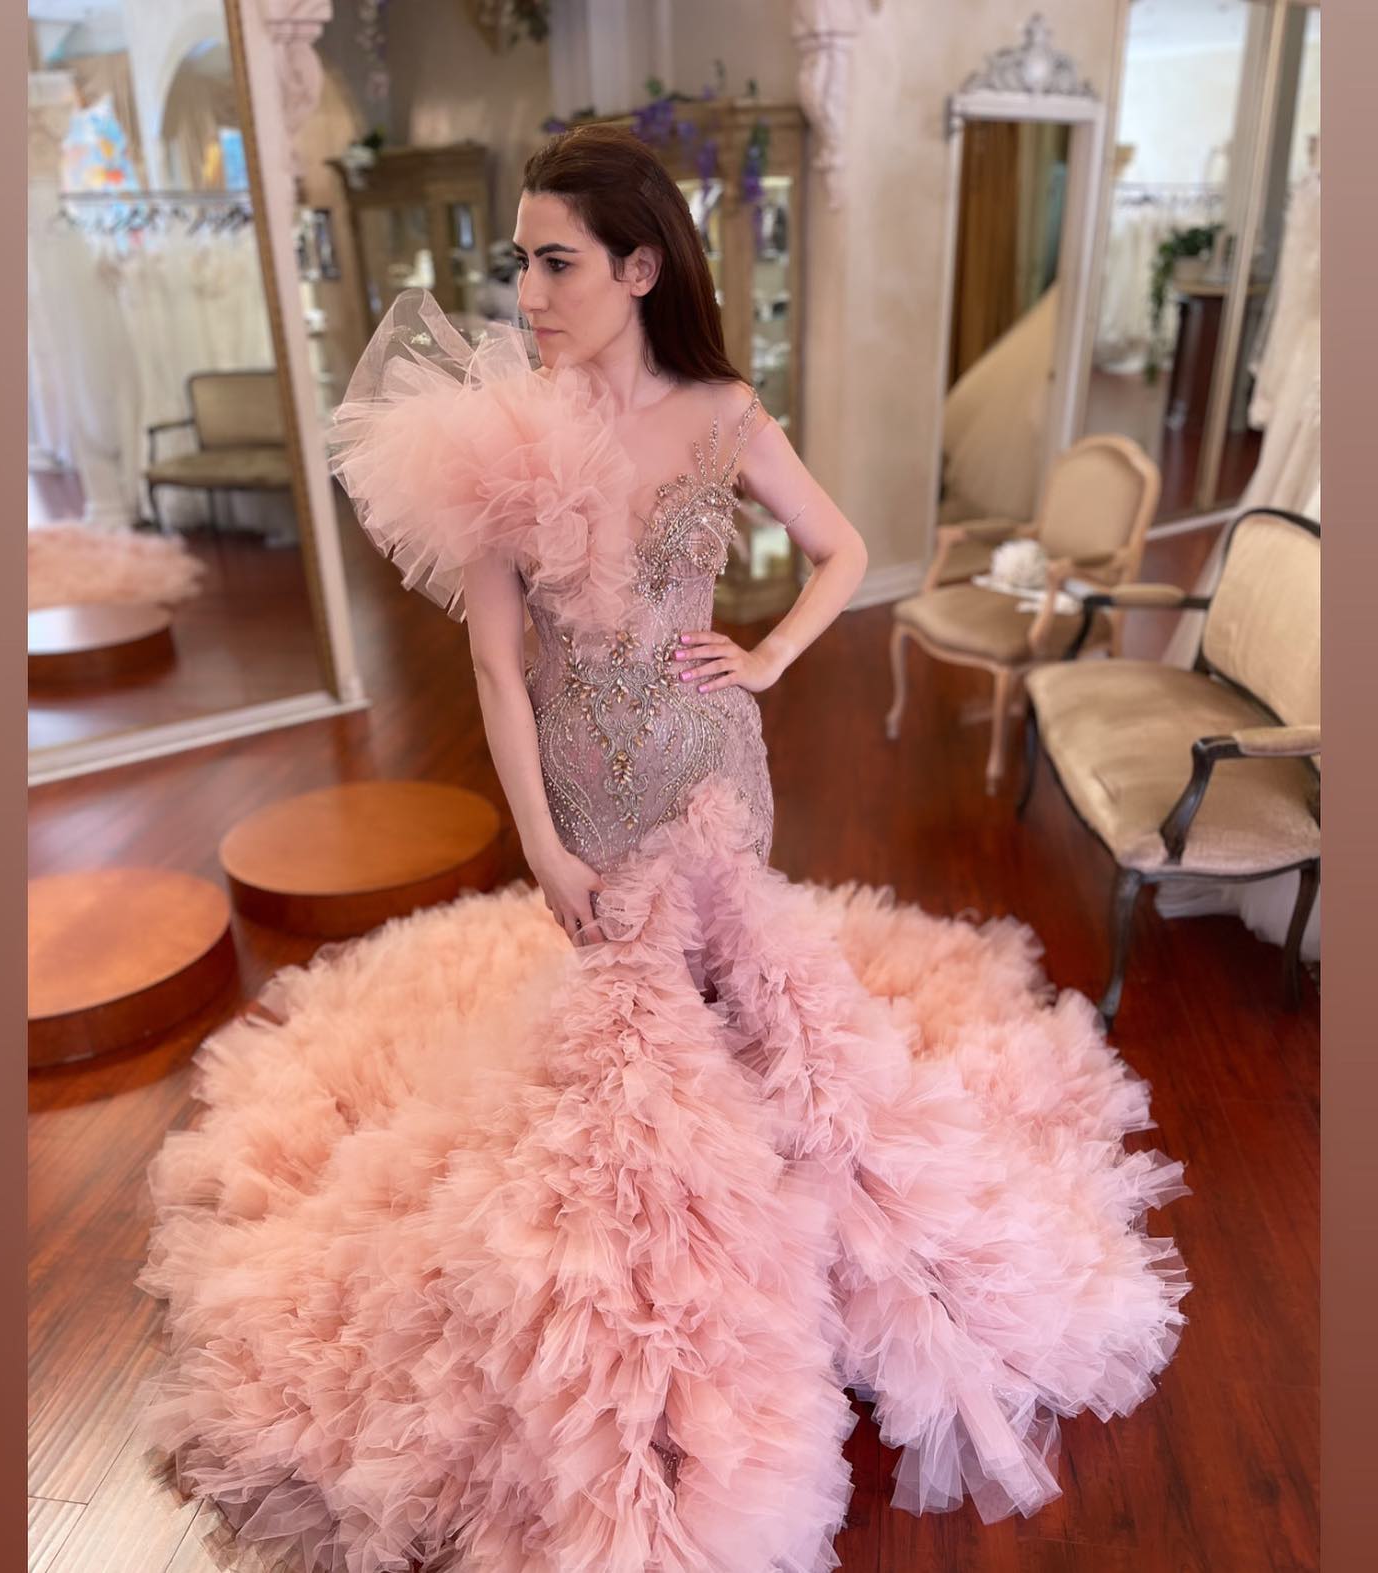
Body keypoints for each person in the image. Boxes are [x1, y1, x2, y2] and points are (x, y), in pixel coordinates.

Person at [135, 125, 1192, 1573]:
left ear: (639, 269)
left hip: (711, 775)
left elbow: (841, 548)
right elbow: (497, 673)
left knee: (743, 1012)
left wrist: (768, 657)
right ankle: (643, 1327)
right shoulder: (501, 434)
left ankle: (786, 1253)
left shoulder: (723, 412)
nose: (527, 293)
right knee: (624, 1071)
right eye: (519, 263)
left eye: (555, 262)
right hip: (585, 797)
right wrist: (542, 848)